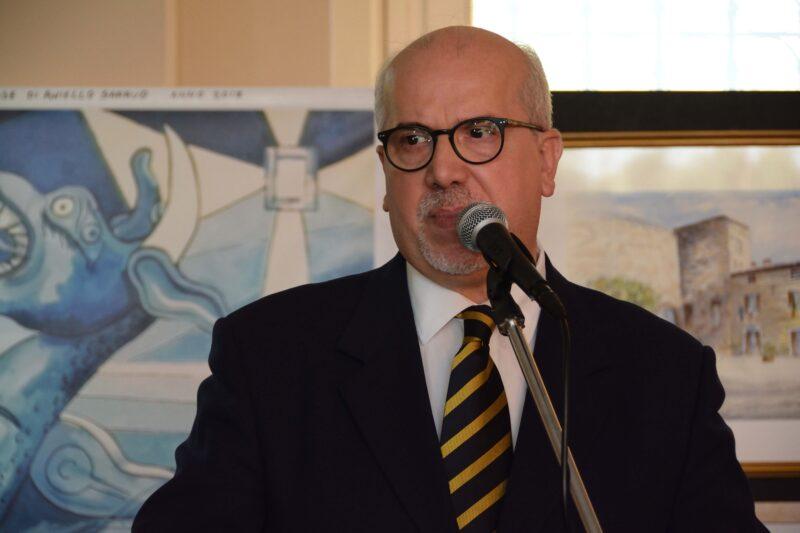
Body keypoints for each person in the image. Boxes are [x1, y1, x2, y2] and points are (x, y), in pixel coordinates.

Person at [133, 26, 765, 532]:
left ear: (547, 160)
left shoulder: (664, 372)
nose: (443, 170)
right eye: (413, 140)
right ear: (386, 174)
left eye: (480, 132)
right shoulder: (269, 354)